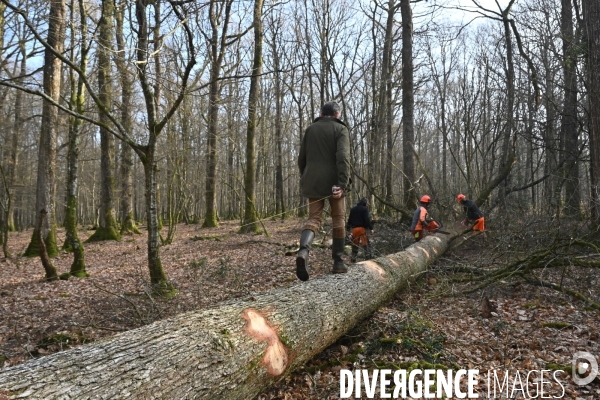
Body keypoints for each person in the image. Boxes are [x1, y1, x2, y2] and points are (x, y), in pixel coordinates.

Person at [296, 101, 351, 281]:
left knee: (313, 219)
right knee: (338, 220)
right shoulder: (340, 129)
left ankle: (303, 252)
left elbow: (301, 158)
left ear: (321, 113)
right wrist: (342, 183)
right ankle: (338, 262)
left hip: (312, 180)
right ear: (337, 115)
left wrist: (306, 177)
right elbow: (342, 157)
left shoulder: (311, 129)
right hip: (334, 182)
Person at [347, 197, 374, 263]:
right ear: (365, 202)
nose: (368, 204)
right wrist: (371, 228)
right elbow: (367, 219)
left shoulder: (353, 209)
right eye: (367, 203)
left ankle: (353, 261)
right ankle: (368, 260)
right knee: (366, 245)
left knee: (355, 246)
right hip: (362, 229)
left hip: (354, 229)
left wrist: (348, 230)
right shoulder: (365, 209)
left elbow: (349, 220)